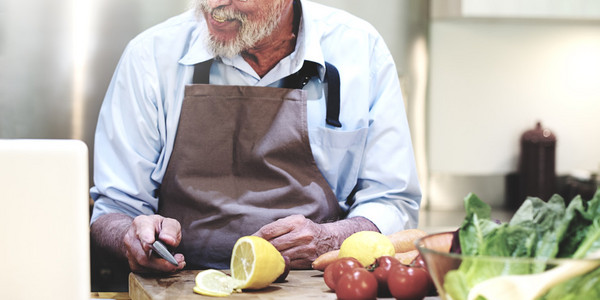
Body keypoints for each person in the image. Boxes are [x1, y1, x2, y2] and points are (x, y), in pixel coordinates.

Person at [90, 0, 421, 273]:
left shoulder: (361, 52)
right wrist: (131, 236)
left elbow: (392, 199)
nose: (214, 6)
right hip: (182, 283)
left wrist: (332, 238)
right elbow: (114, 208)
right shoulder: (150, 57)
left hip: (320, 282)